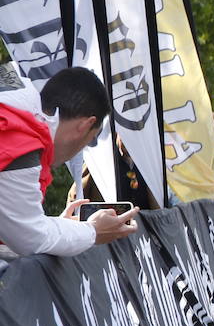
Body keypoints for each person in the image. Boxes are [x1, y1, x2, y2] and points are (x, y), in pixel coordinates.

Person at [0, 66, 139, 257]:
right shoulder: (19, 142)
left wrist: (59, 227)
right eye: (90, 139)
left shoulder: (11, 86)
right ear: (85, 125)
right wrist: (94, 231)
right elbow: (30, 240)